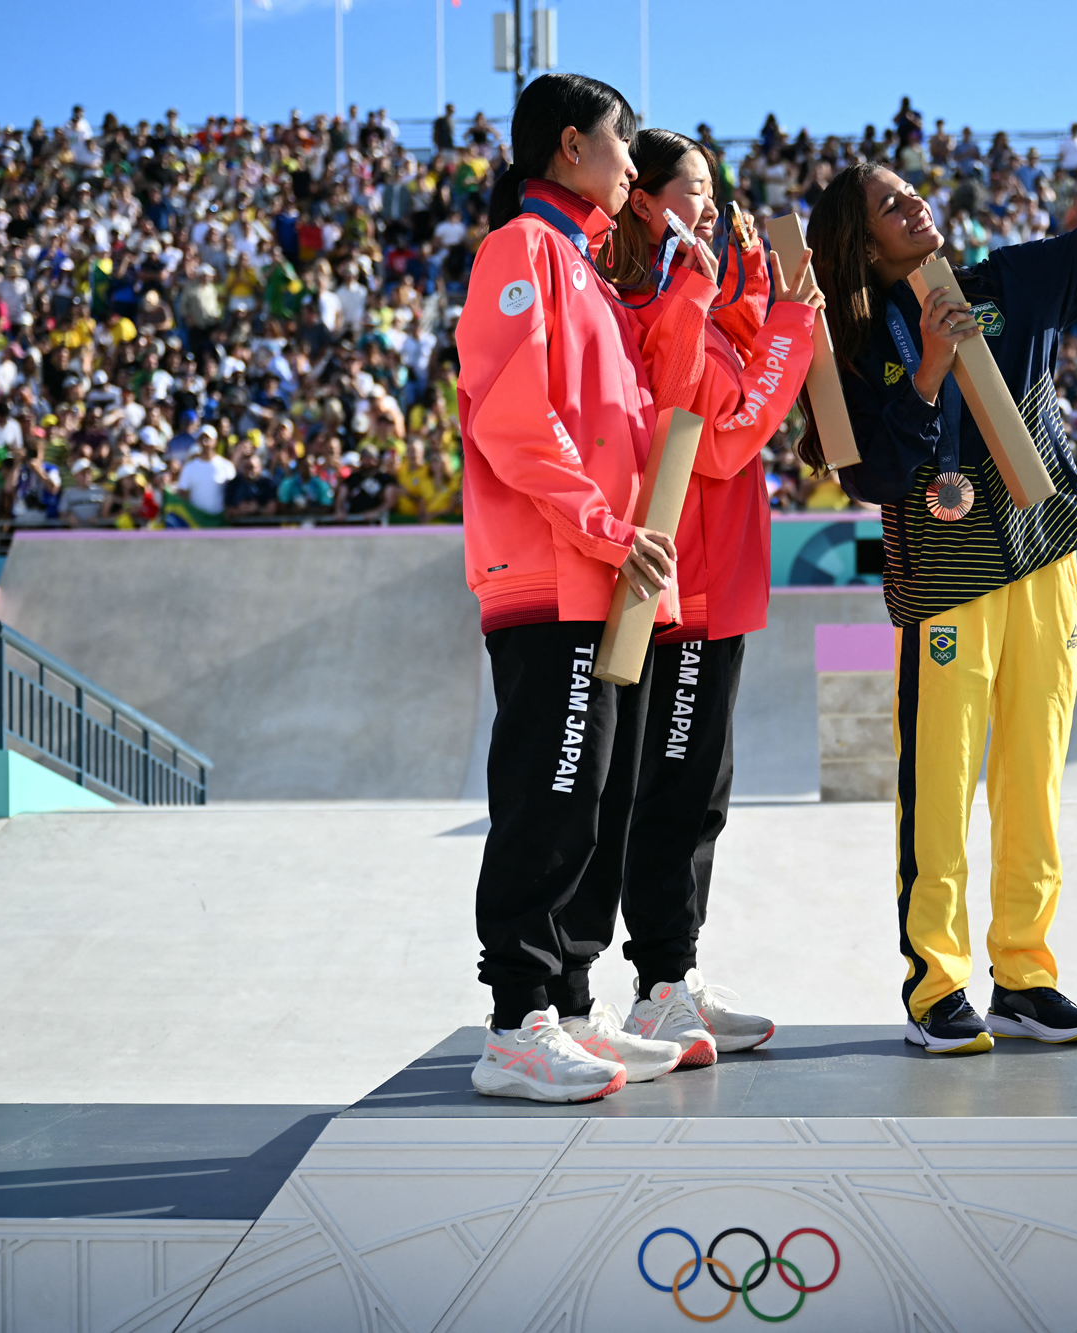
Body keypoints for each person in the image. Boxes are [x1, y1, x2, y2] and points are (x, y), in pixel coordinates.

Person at [804, 25, 1077, 1055]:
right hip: (945, 585)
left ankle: (1024, 974)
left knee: (1030, 778)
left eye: (913, 193)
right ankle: (936, 985)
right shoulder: (852, 347)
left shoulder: (1012, 282)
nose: (915, 206)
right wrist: (931, 372)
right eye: (890, 206)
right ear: (861, 244)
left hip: (1045, 562)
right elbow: (865, 478)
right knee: (936, 790)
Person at [454, 72, 688, 1103]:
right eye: (618, 143)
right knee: (548, 799)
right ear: (566, 148)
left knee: (597, 799)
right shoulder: (521, 251)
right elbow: (510, 419)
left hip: (600, 574)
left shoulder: (587, 269)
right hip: (553, 573)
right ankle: (514, 1019)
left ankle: (572, 1007)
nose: (632, 164)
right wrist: (602, 527)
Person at [598, 128, 824, 1063]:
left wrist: (767, 305)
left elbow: (747, 397)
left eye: (715, 189)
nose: (715, 207)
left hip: (722, 583)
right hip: (679, 589)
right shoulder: (653, 302)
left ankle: (674, 974)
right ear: (645, 201)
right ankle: (654, 985)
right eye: (692, 189)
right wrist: (787, 330)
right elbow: (722, 438)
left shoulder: (714, 306)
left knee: (705, 793)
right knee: (671, 791)